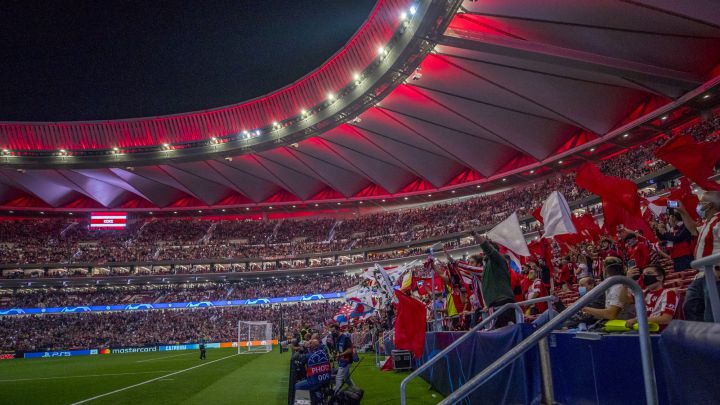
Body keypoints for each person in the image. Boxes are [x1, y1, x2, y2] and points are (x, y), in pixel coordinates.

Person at [470, 232, 516, 328]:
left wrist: (475, 235)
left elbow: (488, 249)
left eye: (486, 250)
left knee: (505, 330)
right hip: (495, 303)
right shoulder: (487, 265)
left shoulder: (498, 259)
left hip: (502, 302)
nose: (483, 252)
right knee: (499, 331)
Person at [625, 264, 679, 331]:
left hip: (659, 333)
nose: (645, 277)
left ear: (660, 277)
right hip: (642, 331)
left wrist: (637, 320)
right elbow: (624, 299)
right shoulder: (642, 293)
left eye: (649, 273)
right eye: (644, 275)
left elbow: (666, 319)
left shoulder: (669, 293)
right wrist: (626, 280)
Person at [294, 339, 332, 405]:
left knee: (298, 386)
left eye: (310, 343)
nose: (309, 344)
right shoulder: (323, 352)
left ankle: (304, 403)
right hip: (326, 378)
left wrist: (301, 348)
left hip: (316, 381)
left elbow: (294, 357)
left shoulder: (309, 355)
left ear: (312, 346)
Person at [329, 324, 354, 392]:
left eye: (333, 331)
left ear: (338, 329)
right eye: (331, 331)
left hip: (347, 360)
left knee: (339, 377)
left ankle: (337, 393)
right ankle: (354, 389)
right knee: (346, 378)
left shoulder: (345, 338)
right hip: (341, 360)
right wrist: (335, 354)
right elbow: (337, 349)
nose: (332, 333)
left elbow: (350, 350)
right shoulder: (335, 338)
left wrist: (340, 355)